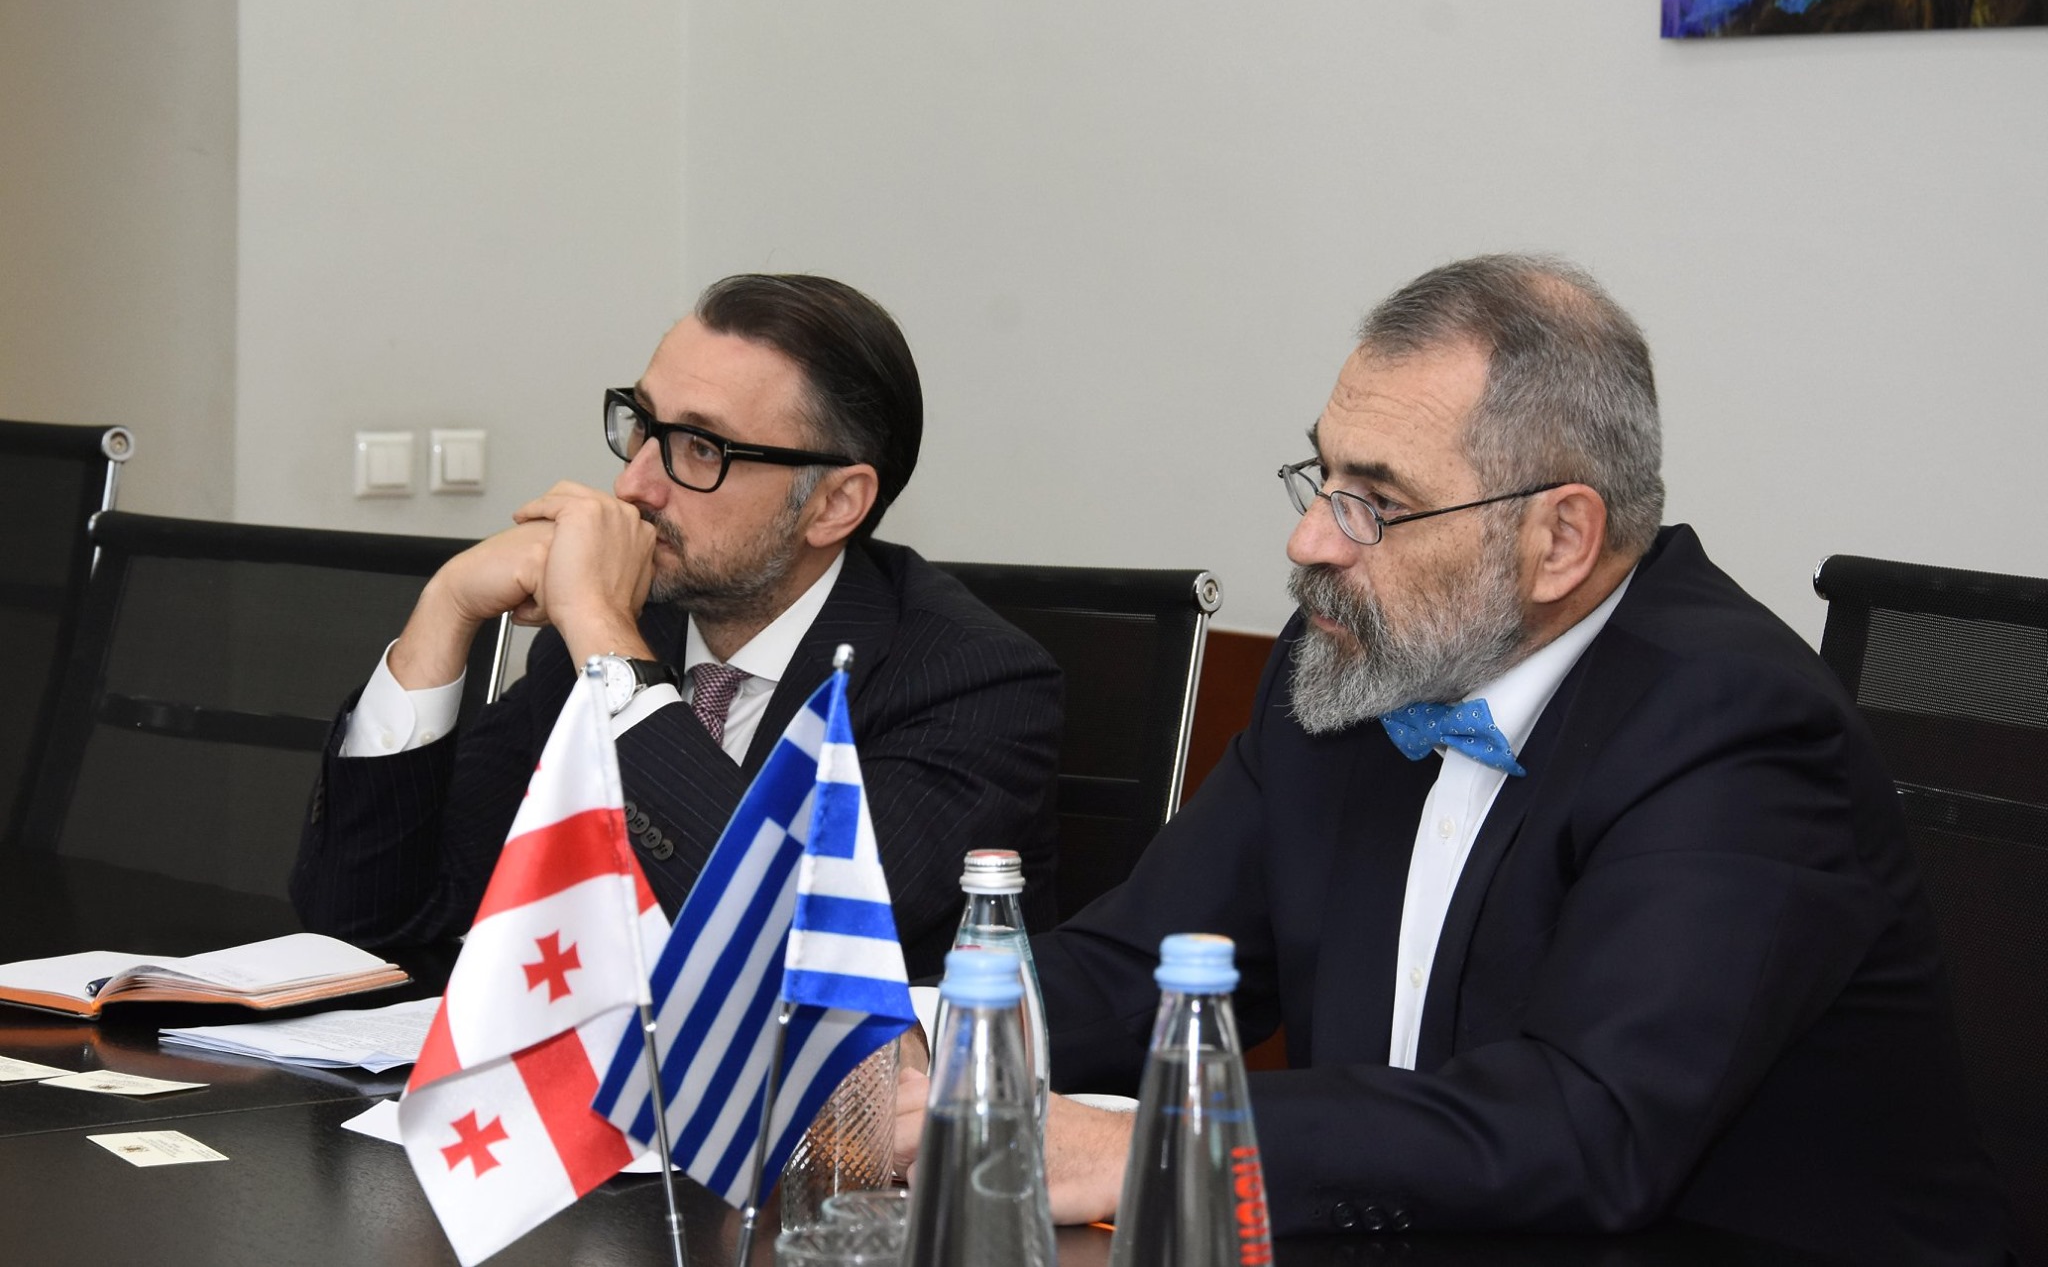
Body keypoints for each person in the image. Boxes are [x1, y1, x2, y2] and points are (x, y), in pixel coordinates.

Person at [896, 254, 2006, 1263]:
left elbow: (1585, 1124)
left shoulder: (1733, 725)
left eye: (1376, 503)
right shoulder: (1356, 658)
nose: (1309, 540)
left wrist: (1153, 1139)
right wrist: (904, 1039)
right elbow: (1144, 960)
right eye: (1322, 477)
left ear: (1559, 538)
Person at [291, 274, 1060, 978]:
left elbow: (781, 941)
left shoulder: (968, 684)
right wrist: (446, 606)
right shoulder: (620, 635)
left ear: (834, 504)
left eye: (701, 447)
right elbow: (364, 918)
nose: (634, 483)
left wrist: (603, 634)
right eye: (643, 423)